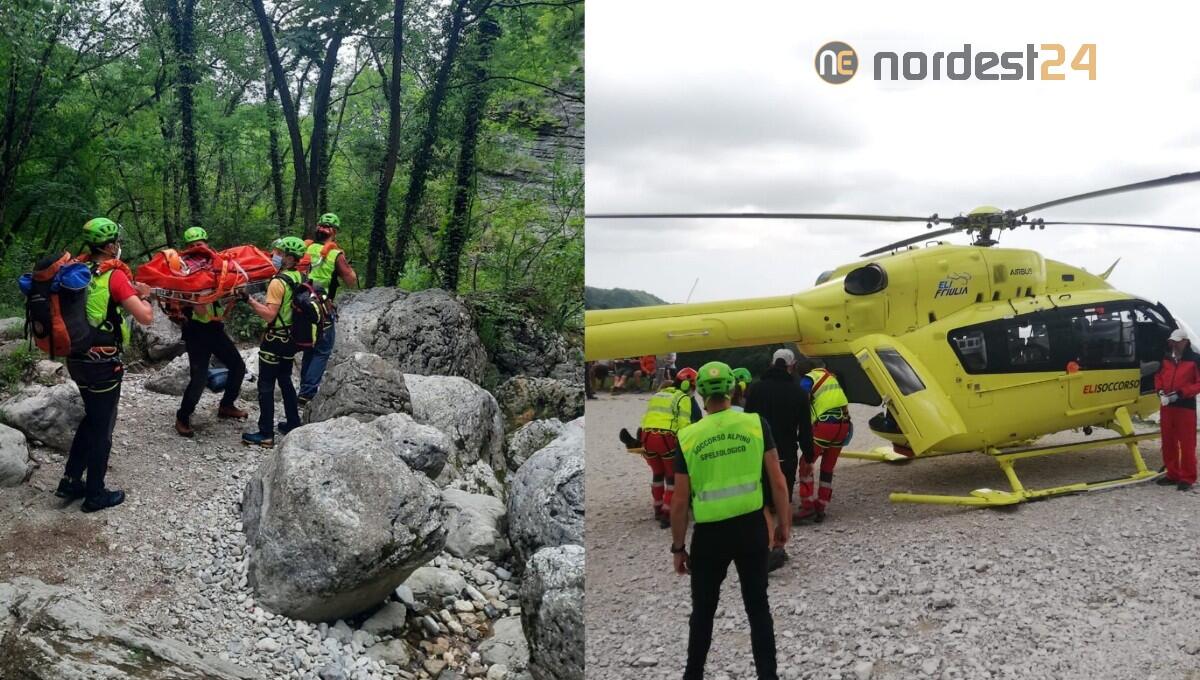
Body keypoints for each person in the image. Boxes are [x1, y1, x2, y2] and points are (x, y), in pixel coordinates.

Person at [670, 361, 790, 680]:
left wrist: (678, 548)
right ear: (734, 389)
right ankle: (768, 676)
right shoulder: (755, 424)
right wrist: (783, 525)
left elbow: (679, 501)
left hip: (710, 536)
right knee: (757, 607)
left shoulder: (688, 436)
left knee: (703, 612)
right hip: (751, 529)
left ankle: (693, 675)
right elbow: (777, 481)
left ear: (699, 393)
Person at [54, 218, 155, 512]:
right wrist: (143, 297)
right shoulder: (114, 276)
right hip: (102, 364)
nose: (118, 246)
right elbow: (145, 317)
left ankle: (71, 480)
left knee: (91, 418)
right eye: (117, 242)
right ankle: (95, 493)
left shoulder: (77, 271)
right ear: (110, 246)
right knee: (103, 427)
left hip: (76, 360)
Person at [174, 227, 248, 437]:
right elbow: (195, 304)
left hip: (214, 329)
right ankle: (183, 417)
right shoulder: (185, 271)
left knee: (238, 366)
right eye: (194, 244)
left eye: (201, 243)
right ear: (189, 248)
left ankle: (226, 405)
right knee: (198, 377)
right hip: (196, 331)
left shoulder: (215, 266)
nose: (199, 247)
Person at [745, 348, 814, 570]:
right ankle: (780, 547)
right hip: (785, 451)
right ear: (792, 366)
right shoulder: (798, 393)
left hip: (758, 452)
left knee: (764, 502)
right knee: (784, 498)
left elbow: (746, 422)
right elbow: (805, 428)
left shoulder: (756, 389)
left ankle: (765, 546)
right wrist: (809, 454)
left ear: (772, 364)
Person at [241, 236, 306, 446]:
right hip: (291, 338)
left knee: (266, 384)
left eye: (278, 253)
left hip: (275, 339)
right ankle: (293, 423)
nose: (274, 256)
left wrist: (249, 300)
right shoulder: (300, 276)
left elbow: (269, 314)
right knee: (285, 380)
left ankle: (265, 433)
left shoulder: (278, 282)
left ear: (288, 257)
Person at [619, 367, 702, 528]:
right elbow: (684, 425)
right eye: (693, 387)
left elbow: (648, 418)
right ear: (687, 386)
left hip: (647, 435)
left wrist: (642, 439)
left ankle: (657, 507)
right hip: (666, 438)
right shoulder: (683, 398)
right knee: (671, 477)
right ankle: (667, 512)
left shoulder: (658, 395)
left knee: (657, 474)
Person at [297, 213, 357, 404]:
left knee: (309, 347)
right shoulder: (334, 254)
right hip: (322, 307)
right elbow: (350, 281)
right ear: (334, 232)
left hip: (300, 304)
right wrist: (345, 263)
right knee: (322, 350)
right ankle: (307, 392)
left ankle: (303, 388)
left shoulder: (305, 248)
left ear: (318, 228)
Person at [796, 358, 852, 523]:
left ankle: (807, 506)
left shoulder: (808, 379)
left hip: (826, 425)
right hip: (844, 425)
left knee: (806, 463)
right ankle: (821, 505)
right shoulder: (830, 376)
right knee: (827, 467)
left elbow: (801, 400)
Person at [1155, 328, 1200, 490]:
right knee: (1168, 442)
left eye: (1176, 341)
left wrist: (1182, 393)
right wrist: (1159, 390)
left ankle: (1188, 478)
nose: (1173, 344)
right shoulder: (1166, 359)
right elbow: (1159, 376)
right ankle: (1172, 474)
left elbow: (1198, 383)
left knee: (1187, 443)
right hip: (1167, 405)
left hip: (1185, 407)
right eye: (1172, 341)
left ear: (1185, 342)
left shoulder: (1195, 360)